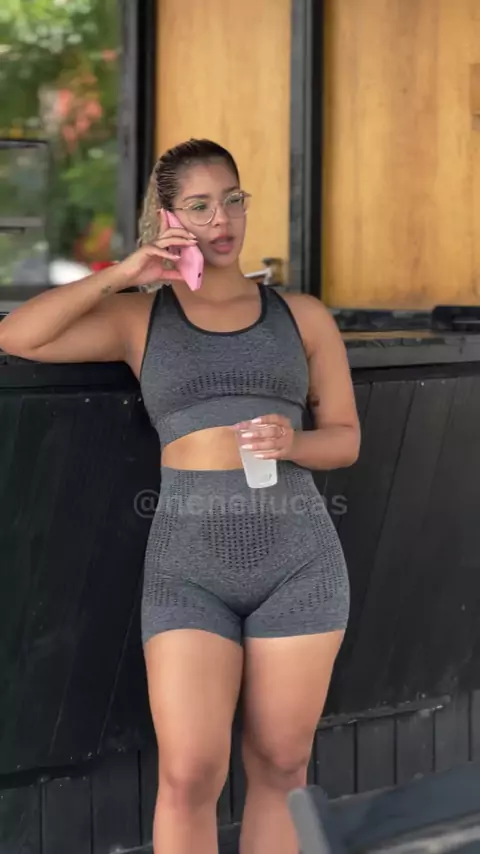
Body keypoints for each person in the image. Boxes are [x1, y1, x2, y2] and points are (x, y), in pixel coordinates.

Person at [0, 139, 360, 854]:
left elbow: (346, 439)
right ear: (168, 218)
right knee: (190, 773)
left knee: (282, 765)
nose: (221, 219)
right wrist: (123, 274)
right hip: (188, 569)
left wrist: (293, 443)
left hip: (299, 560)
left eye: (232, 200)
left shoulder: (303, 316)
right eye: (199, 206)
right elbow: (17, 336)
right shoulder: (142, 319)